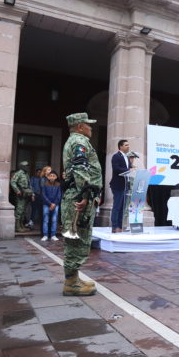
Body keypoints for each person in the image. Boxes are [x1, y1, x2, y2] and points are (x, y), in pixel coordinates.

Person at [61, 112, 102, 296]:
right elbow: (80, 169)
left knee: (77, 238)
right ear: (80, 127)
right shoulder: (80, 141)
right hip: (79, 197)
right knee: (77, 239)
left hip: (76, 195)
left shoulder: (74, 140)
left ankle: (73, 278)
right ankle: (71, 283)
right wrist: (84, 195)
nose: (91, 127)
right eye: (88, 124)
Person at [109, 139, 132, 233]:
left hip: (126, 185)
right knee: (117, 206)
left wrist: (132, 169)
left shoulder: (127, 157)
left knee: (123, 207)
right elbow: (116, 168)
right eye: (126, 145)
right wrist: (128, 169)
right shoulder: (116, 156)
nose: (128, 146)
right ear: (120, 146)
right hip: (118, 185)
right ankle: (115, 226)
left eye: (128, 145)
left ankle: (120, 225)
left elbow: (127, 169)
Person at [10, 160, 34, 232]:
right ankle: (17, 227)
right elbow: (13, 182)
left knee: (23, 211)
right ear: (22, 166)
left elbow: (29, 185)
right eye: (26, 166)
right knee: (19, 211)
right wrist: (17, 190)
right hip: (20, 194)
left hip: (26, 194)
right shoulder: (19, 173)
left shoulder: (26, 174)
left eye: (27, 166)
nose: (27, 167)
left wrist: (32, 194)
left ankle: (21, 225)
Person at [41, 170, 62, 242]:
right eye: (51, 176)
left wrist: (54, 204)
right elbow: (43, 195)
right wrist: (50, 204)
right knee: (45, 220)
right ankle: (45, 235)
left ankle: (53, 235)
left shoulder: (58, 185)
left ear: (56, 177)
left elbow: (59, 196)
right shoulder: (45, 184)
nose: (52, 177)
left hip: (55, 205)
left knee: (54, 220)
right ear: (48, 177)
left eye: (54, 176)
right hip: (46, 205)